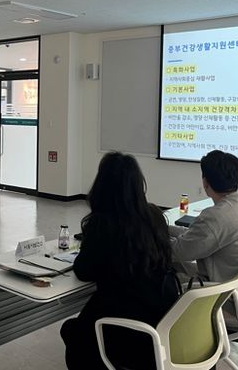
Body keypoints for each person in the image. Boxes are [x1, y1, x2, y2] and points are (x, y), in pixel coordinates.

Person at [61, 152, 179, 370]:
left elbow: (84, 271)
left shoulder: (102, 224)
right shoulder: (155, 215)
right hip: (161, 317)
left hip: (127, 326)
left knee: (72, 332)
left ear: (102, 186)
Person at [169, 150, 238, 282]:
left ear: (205, 183)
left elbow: (177, 251)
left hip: (222, 288)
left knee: (155, 269)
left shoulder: (214, 217)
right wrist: (164, 228)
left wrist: (149, 238)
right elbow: (196, 235)